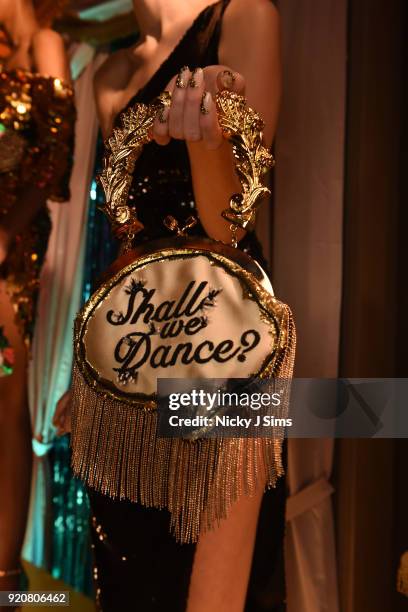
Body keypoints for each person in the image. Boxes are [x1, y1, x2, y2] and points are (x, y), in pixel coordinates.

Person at [54, 0, 282, 610]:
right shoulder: (107, 75)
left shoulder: (242, 19)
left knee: (213, 588)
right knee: (132, 578)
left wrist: (205, 143)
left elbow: (229, 227)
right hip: (132, 351)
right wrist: (91, 363)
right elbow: (129, 240)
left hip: (224, 338)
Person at [0, 0, 75, 596]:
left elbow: (58, 158)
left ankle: (7, 579)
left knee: (8, 396)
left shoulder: (46, 43)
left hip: (13, 248)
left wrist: (5, 232)